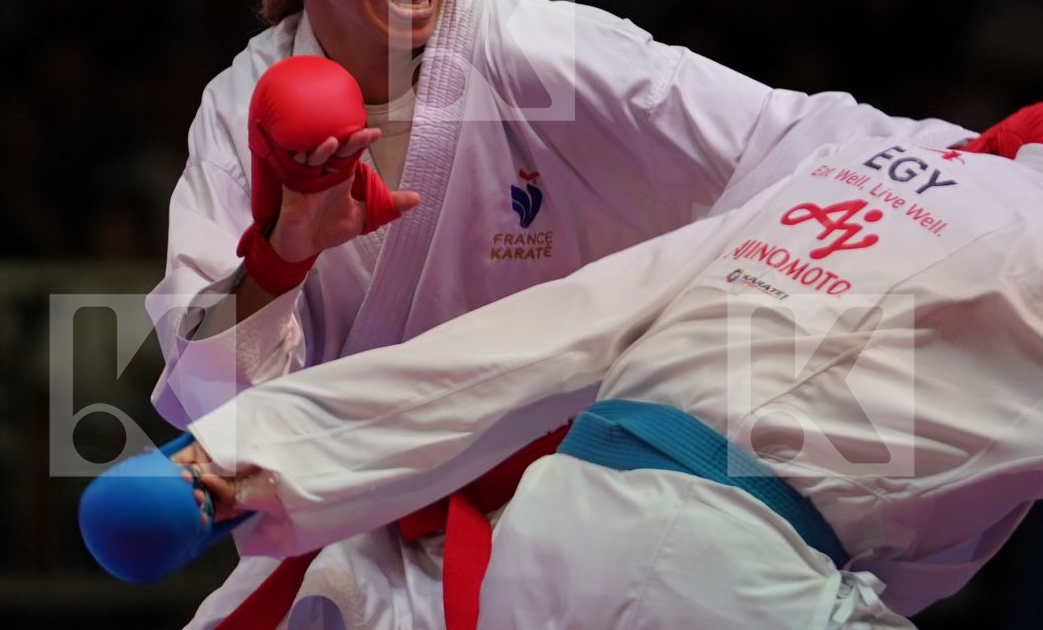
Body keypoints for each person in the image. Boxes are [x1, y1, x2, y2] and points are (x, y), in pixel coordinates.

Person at [147, 0, 974, 629]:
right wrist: (284, 255)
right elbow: (219, 403)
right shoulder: (241, 111)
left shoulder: (535, 52)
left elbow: (780, 136)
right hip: (358, 516)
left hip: (586, 493)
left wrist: (982, 159)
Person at [173, 125, 1043, 628]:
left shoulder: (856, 165)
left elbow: (569, 323)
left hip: (558, 519)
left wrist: (257, 449)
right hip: (728, 572)